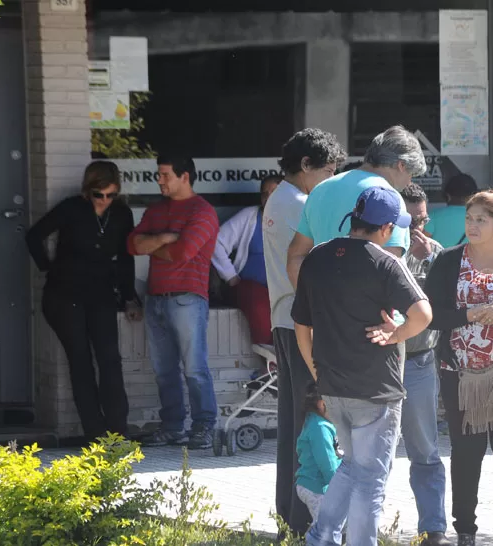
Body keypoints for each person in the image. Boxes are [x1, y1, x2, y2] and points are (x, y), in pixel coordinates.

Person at [295, 186, 433, 546]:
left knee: (352, 466)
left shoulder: (316, 257)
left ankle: (321, 537)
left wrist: (317, 373)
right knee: (371, 479)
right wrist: (396, 334)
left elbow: (301, 325)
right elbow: (424, 314)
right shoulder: (385, 262)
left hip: (332, 386)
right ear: (385, 228)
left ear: (354, 220)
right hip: (376, 390)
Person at [425, 190, 493, 546]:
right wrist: (468, 315)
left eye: (481, 220)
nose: (472, 226)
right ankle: (465, 531)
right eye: (469, 218)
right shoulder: (447, 261)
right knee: (466, 452)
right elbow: (430, 315)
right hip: (460, 373)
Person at [263, 128, 346, 536]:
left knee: (294, 426)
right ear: (305, 166)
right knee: (309, 423)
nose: (330, 182)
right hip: (301, 323)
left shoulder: (282, 197)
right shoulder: (298, 203)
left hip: (286, 318)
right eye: (327, 172)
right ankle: (300, 524)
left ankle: (289, 521)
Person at [26, 161, 142, 442]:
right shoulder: (71, 209)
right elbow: (33, 236)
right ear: (87, 190)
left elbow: (126, 258)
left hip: (101, 294)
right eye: (98, 195)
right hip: (64, 296)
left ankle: (118, 433)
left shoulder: (121, 214)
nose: (104, 201)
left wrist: (130, 298)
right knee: (80, 362)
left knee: (110, 359)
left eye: (110, 195)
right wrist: (48, 267)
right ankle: (96, 433)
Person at [128, 155, 220, 449]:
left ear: (185, 177)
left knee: (194, 368)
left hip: (188, 299)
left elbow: (184, 253)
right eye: (159, 174)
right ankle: (172, 427)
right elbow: (132, 245)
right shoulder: (157, 211)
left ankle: (204, 427)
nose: (160, 180)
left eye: (165, 175)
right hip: (154, 298)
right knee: (164, 369)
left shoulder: (202, 212)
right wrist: (167, 237)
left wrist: (153, 245)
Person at [287, 125, 425, 284]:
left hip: (321, 306)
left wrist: (311, 300)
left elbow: (296, 257)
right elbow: (388, 266)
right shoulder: (389, 198)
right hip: (370, 308)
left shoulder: (320, 190)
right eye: (412, 174)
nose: (410, 182)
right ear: (401, 165)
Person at [398, 183, 451, 546]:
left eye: (423, 219)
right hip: (381, 361)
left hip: (418, 361)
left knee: (424, 449)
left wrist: (429, 260)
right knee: (372, 452)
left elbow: (448, 302)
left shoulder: (437, 255)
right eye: (410, 221)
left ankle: (433, 528)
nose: (419, 228)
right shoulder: (382, 253)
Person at [212, 175, 280, 345]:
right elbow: (216, 243)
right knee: (258, 307)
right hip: (250, 287)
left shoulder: (296, 218)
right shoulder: (250, 216)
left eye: (274, 192)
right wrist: (230, 277)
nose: (268, 198)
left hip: (283, 289)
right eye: (265, 194)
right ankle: (270, 361)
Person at [296, 386, 341, 522]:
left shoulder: (316, 421)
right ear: (322, 404)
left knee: (325, 525)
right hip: (316, 487)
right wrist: (338, 488)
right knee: (325, 525)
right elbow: (327, 462)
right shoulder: (320, 428)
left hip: (316, 484)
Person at [426, 173, 479, 248]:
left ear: (447, 196)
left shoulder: (433, 216)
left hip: (441, 259)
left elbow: (422, 242)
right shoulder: (480, 217)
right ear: (474, 196)